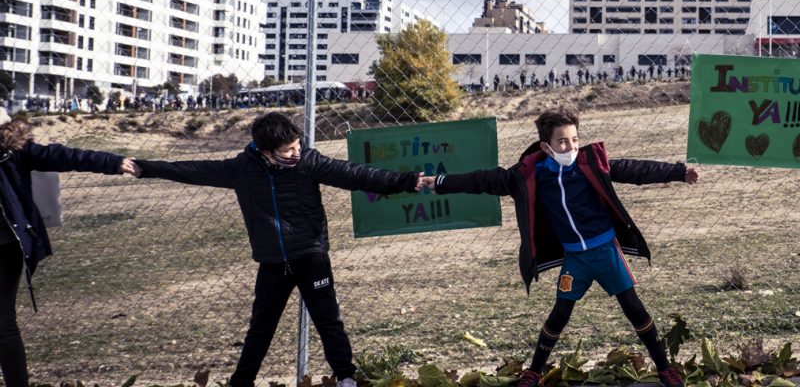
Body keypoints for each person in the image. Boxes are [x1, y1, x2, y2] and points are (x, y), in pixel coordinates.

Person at [133, 112, 427, 387]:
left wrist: (407, 181)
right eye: (288, 150)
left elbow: (355, 174)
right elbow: (191, 170)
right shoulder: (241, 169)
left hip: (311, 256)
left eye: (298, 145)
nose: (296, 153)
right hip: (273, 263)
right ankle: (242, 382)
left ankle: (345, 377)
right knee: (260, 328)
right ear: (265, 151)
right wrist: (145, 168)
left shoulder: (308, 162)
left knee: (328, 320)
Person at [424, 108, 698, 387]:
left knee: (633, 309)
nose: (571, 147)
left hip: (606, 253)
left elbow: (634, 169)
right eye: (563, 142)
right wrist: (442, 183)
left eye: (575, 140)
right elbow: (485, 180)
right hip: (575, 260)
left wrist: (678, 171)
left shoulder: (590, 164)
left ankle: (665, 369)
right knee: (560, 313)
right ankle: (534, 372)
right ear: (546, 146)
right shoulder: (532, 173)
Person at [0, 108, 138, 387]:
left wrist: (112, 162)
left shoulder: (14, 152)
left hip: (5, 246)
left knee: (2, 323)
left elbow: (64, 156)